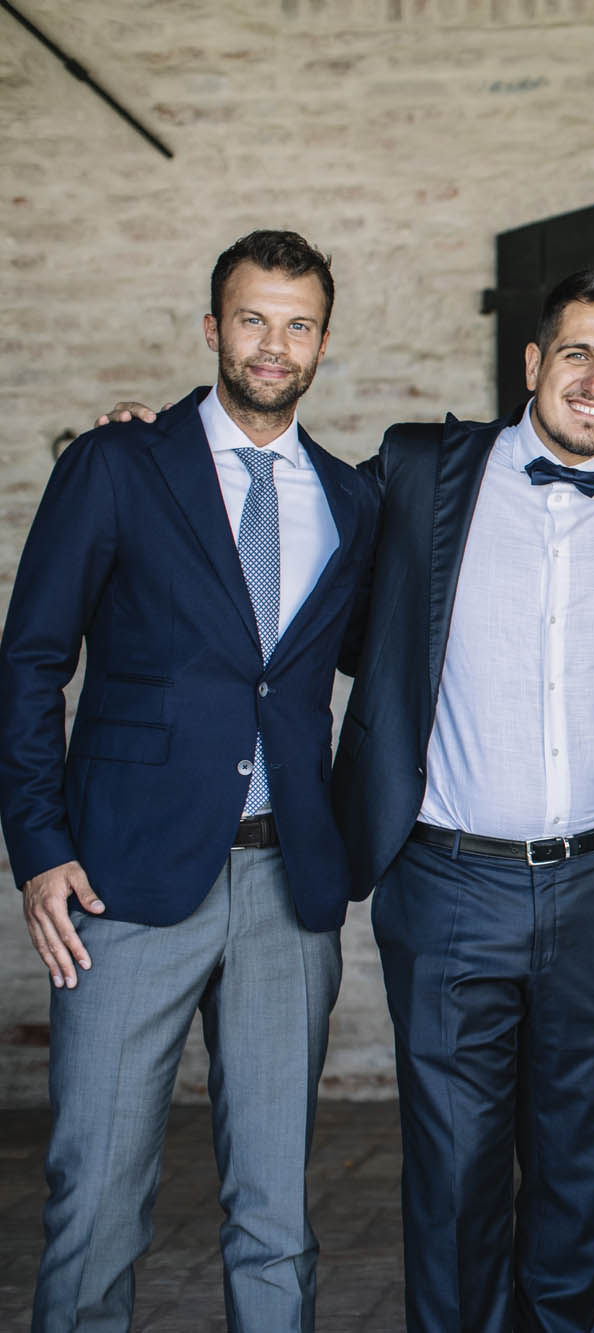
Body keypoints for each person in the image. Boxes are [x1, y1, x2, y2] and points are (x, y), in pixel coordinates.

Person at [0, 230, 380, 1332]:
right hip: (121, 882)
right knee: (97, 1196)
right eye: (253, 319)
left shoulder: (349, 500)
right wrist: (40, 848)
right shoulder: (119, 464)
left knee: (276, 1210)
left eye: (297, 323)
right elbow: (30, 661)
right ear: (214, 329)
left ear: (322, 342)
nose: (274, 343)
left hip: (284, 884)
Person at [334, 268, 594, 1332]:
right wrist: (142, 435)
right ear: (532, 363)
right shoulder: (421, 469)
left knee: (577, 1170)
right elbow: (298, 522)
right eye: (577, 354)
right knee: (452, 1180)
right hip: (451, 880)